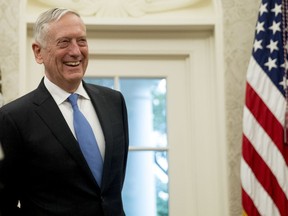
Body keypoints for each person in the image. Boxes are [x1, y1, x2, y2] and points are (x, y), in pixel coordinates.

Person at [0, 8, 129, 216]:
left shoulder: (114, 102)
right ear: (38, 52)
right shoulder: (13, 118)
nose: (76, 51)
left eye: (82, 41)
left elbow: (110, 190)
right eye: (64, 42)